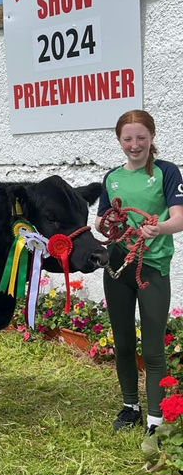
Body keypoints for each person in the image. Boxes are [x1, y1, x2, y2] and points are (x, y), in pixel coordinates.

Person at [95, 109, 183, 456]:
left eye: (141, 137)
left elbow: (179, 216)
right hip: (117, 267)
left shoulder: (167, 172)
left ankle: (157, 418)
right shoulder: (112, 178)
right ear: (119, 141)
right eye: (128, 138)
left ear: (151, 137)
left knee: (153, 348)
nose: (134, 145)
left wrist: (159, 228)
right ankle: (130, 406)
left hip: (152, 267)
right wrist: (106, 224)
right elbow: (102, 219)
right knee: (123, 342)